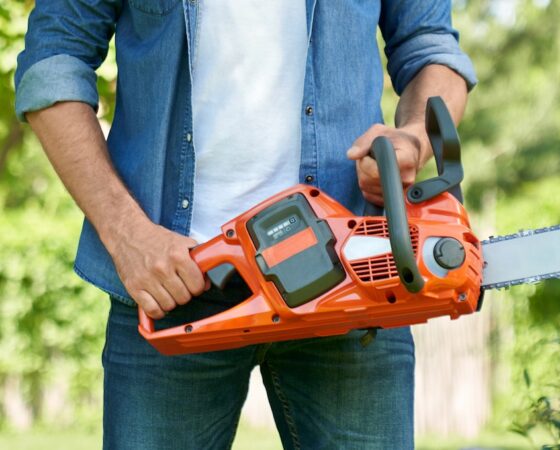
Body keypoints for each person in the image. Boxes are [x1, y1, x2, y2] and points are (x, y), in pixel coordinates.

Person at [15, 1, 476, 448]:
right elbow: (53, 60)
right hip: (174, 281)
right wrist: (126, 234)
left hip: (351, 275)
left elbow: (429, 46)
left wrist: (415, 135)